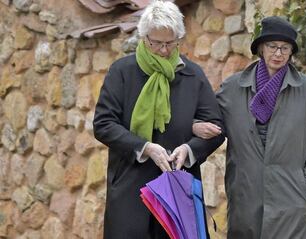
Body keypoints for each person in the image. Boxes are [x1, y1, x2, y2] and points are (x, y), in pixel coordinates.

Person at [93, 1, 224, 238]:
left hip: (177, 189)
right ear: (144, 38)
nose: (164, 50)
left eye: (170, 43)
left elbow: (217, 127)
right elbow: (103, 124)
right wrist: (145, 148)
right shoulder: (122, 72)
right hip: (130, 187)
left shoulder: (192, 74)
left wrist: (189, 149)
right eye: (156, 43)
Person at [193, 16, 306, 239]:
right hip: (246, 199)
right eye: (272, 46)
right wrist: (195, 125)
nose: (278, 53)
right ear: (260, 48)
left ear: (291, 53)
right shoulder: (233, 88)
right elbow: (210, 119)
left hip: (292, 201)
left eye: (285, 48)